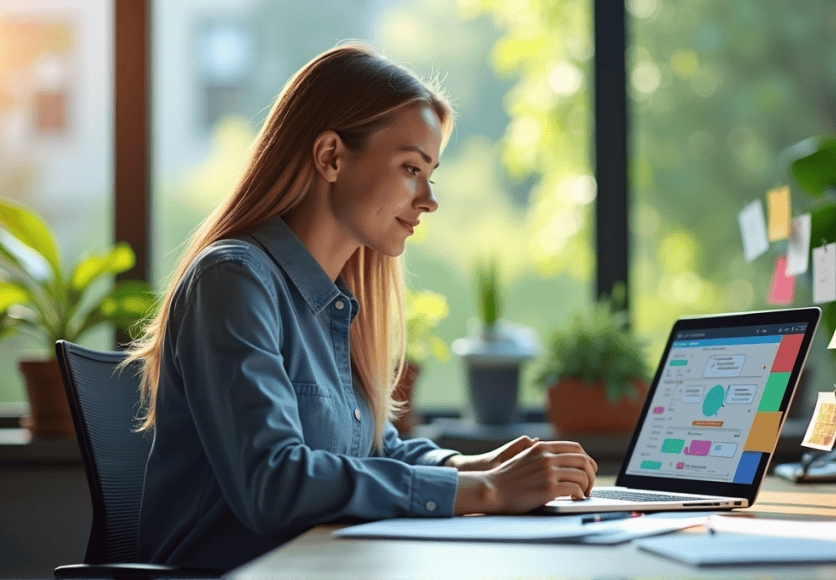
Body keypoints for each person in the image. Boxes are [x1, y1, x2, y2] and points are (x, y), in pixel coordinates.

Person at [124, 42, 598, 572]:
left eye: (431, 174)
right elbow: (275, 483)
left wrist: (473, 465)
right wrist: (484, 491)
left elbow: (374, 449)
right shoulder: (234, 280)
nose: (429, 200)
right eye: (410, 168)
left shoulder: (337, 304)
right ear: (331, 156)